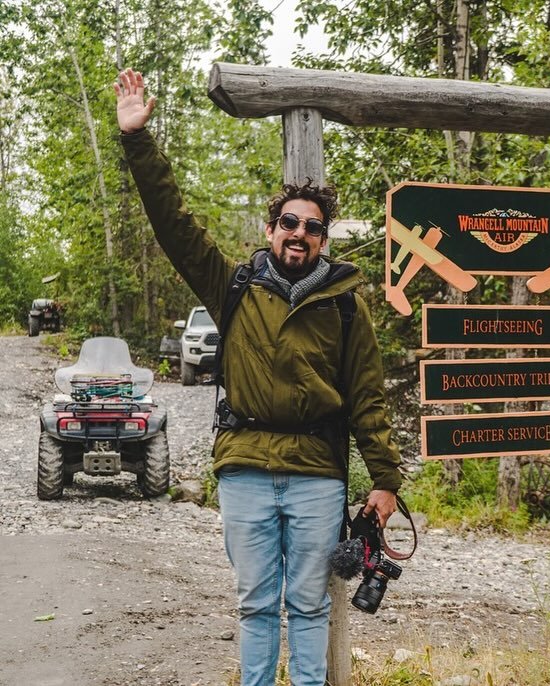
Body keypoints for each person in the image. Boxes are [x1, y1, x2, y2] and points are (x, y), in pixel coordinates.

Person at [114, 68, 402, 686]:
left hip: (316, 474)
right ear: (271, 230)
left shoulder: (347, 305)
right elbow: (175, 227)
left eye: (313, 227)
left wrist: (384, 479)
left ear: (324, 240)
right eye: (290, 223)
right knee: (254, 604)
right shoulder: (234, 289)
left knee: (308, 604)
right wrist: (139, 140)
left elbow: (368, 396)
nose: (300, 234)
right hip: (244, 466)